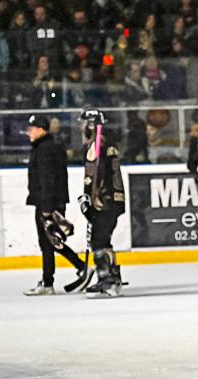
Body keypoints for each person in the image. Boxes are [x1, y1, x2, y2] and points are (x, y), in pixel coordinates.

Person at [24, 114, 87, 296]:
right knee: (50, 241)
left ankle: (55, 279)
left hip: (47, 203)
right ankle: (72, 270)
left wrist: (46, 208)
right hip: (52, 201)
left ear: (40, 130)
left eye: (31, 129)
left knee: (48, 242)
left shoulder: (44, 150)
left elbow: (47, 180)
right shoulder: (49, 147)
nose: (28, 132)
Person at [77, 109, 126, 298]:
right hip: (114, 201)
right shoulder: (109, 144)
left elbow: (95, 175)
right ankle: (114, 278)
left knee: (98, 241)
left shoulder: (96, 146)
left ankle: (106, 281)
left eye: (84, 123)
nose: (81, 127)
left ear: (91, 125)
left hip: (103, 202)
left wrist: (89, 198)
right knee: (104, 240)